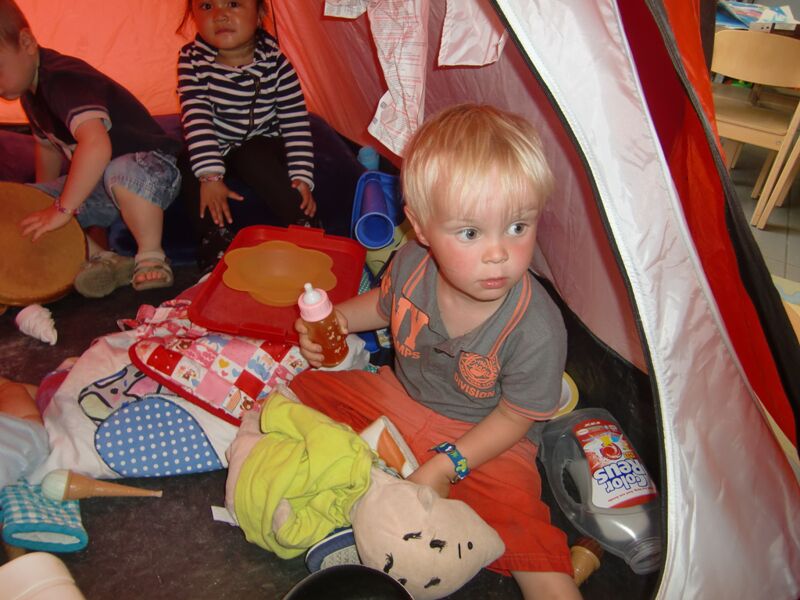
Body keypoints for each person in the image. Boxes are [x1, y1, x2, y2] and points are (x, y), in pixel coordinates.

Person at [292, 104, 581, 599]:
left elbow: (516, 417)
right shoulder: (410, 262)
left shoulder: (538, 328)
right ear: (422, 229)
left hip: (487, 440)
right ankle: (370, 487)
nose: (499, 253)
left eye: (518, 227)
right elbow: (382, 305)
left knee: (530, 535)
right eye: (470, 233)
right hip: (399, 399)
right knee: (300, 392)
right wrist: (338, 319)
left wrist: (450, 465)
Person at [0, 0, 182, 297]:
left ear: (27, 43)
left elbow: (96, 145)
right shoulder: (29, 94)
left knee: (120, 170)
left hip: (149, 172)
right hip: (101, 185)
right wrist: (42, 201)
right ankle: (102, 259)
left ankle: (151, 256)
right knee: (22, 202)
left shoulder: (62, 79)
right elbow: (47, 148)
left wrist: (62, 208)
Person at [177, 0, 316, 272]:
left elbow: (296, 122)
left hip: (263, 142)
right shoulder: (192, 61)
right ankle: (215, 241)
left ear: (259, 13)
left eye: (233, 4)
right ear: (193, 16)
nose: (220, 15)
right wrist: (210, 176)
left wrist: (302, 176)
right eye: (206, 6)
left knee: (252, 154)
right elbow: (197, 117)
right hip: (217, 145)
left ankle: (303, 224)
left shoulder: (276, 63)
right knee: (187, 164)